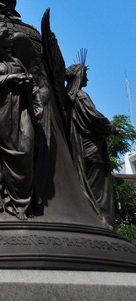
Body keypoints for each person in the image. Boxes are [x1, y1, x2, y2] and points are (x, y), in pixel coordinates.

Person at [0, 25, 43, 219]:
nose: (10, 38)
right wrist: (12, 77)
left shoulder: (16, 61)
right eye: (7, 36)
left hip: (22, 109)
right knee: (9, 154)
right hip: (1, 111)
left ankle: (26, 200)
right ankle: (16, 205)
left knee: (26, 150)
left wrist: (38, 104)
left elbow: (32, 86)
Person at [65, 63, 120, 228]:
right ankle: (101, 220)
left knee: (86, 184)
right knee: (97, 188)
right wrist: (112, 128)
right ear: (80, 76)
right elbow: (96, 119)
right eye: (85, 75)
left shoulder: (68, 96)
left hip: (79, 148)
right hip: (92, 150)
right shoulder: (81, 96)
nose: (87, 78)